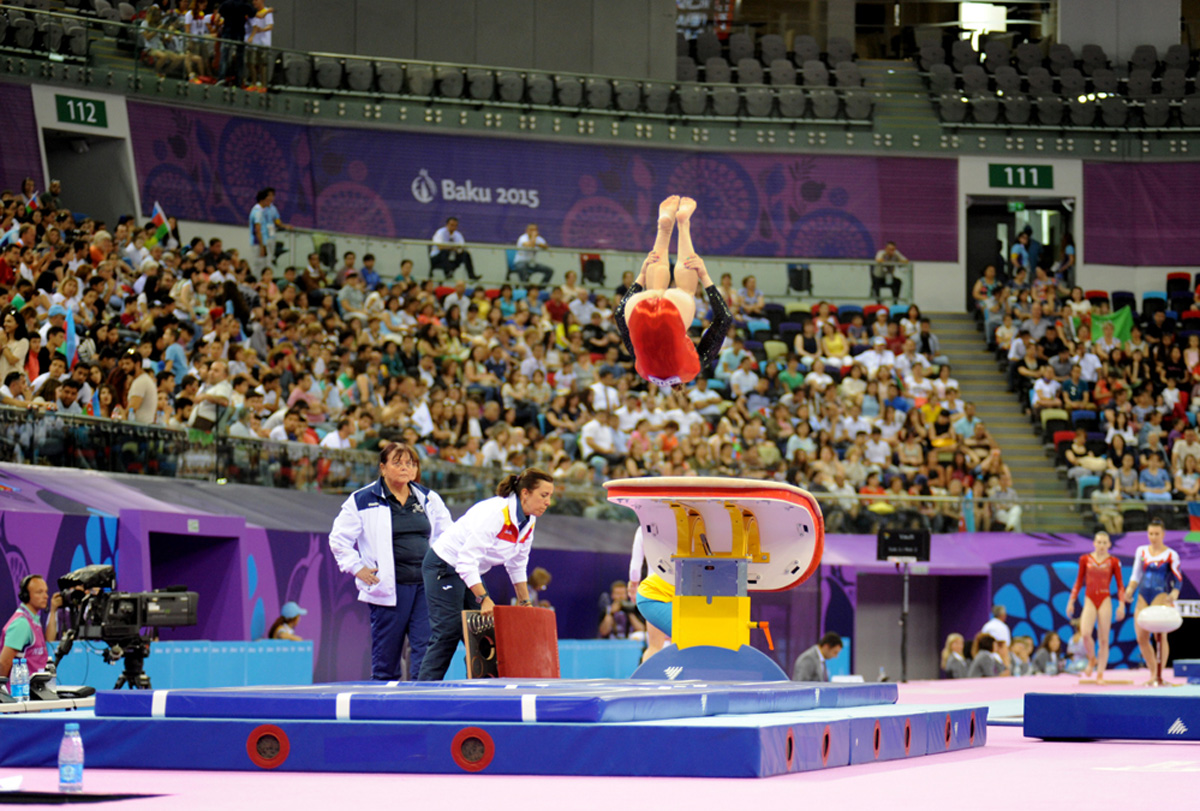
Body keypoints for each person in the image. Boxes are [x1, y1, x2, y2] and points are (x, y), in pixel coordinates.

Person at [328, 444, 454, 681]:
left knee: (426, 653)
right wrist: (357, 568)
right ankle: (384, 711)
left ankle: (421, 708)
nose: (405, 468)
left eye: (410, 463)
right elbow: (338, 539)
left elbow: (447, 537)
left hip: (425, 589)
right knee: (386, 660)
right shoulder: (363, 499)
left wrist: (441, 572)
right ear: (382, 468)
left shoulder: (428, 498)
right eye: (398, 462)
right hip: (387, 589)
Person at [417, 468, 555, 681]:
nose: (548, 502)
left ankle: (480, 692)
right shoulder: (496, 514)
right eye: (544, 495)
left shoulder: (529, 520)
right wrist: (483, 598)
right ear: (525, 493)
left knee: (483, 634)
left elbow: (517, 562)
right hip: (444, 565)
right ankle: (423, 694)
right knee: (448, 632)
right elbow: (465, 561)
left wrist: (525, 601)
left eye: (550, 496)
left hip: (470, 571)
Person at [614, 196, 733, 391]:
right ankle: (664, 228)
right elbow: (619, 313)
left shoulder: (692, 370)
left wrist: (705, 278)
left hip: (674, 311)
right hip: (637, 309)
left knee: (686, 291)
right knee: (654, 291)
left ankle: (683, 223)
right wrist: (641, 276)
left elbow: (724, 319)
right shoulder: (643, 370)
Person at [1122, 519, 1181, 685]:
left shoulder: (1171, 554)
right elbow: (1136, 574)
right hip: (1142, 596)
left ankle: (1160, 675)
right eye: (1150, 533)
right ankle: (1154, 672)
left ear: (1163, 534)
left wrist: (1175, 592)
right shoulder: (1141, 551)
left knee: (1160, 637)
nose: (1153, 537)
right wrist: (1130, 590)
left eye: (1156, 534)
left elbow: (1178, 578)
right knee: (1141, 637)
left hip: (1160, 596)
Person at [1065, 531, 1126, 681]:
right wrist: (1071, 601)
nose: (1101, 546)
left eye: (1105, 543)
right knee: (1085, 634)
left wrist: (1122, 605)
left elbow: (1120, 585)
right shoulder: (1085, 559)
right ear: (1094, 543)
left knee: (1104, 639)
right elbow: (1079, 581)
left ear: (1109, 545)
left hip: (1104, 598)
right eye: (1099, 542)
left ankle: (1100, 673)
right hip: (1090, 599)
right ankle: (1092, 658)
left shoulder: (1113, 561)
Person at [1, 575, 56, 679]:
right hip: (20, 692)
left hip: (33, 690)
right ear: (26, 595)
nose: (46, 596)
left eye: (46, 591)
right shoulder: (22, 624)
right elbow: (4, 663)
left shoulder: (33, 620)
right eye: (39, 592)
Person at [249, 187, 290, 272]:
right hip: (258, 242)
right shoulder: (257, 212)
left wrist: (284, 226)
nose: (270, 200)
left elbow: (276, 220)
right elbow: (258, 230)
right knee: (258, 264)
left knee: (266, 262)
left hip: (267, 238)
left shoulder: (270, 208)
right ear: (262, 200)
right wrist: (262, 246)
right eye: (268, 199)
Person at [429, 217, 478, 281]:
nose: (453, 227)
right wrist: (453, 248)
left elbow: (461, 248)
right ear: (447, 225)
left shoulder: (458, 235)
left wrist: (456, 249)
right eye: (451, 225)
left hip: (452, 256)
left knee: (466, 254)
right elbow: (440, 247)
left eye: (455, 226)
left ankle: (471, 275)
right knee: (445, 252)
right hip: (437, 256)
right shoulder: (440, 232)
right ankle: (448, 272)